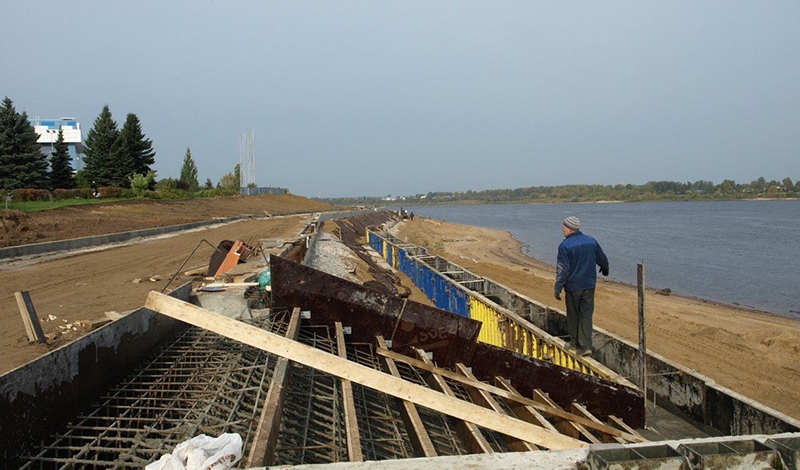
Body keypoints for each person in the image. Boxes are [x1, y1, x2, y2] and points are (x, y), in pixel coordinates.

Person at [554, 216, 609, 357]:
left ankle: (574, 343)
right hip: (589, 285)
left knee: (573, 315)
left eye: (564, 227)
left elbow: (563, 269)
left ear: (570, 228)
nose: (562, 229)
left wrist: (558, 287)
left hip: (573, 287)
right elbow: (601, 258)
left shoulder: (565, 246)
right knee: (586, 315)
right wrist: (605, 268)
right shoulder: (591, 241)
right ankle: (585, 347)